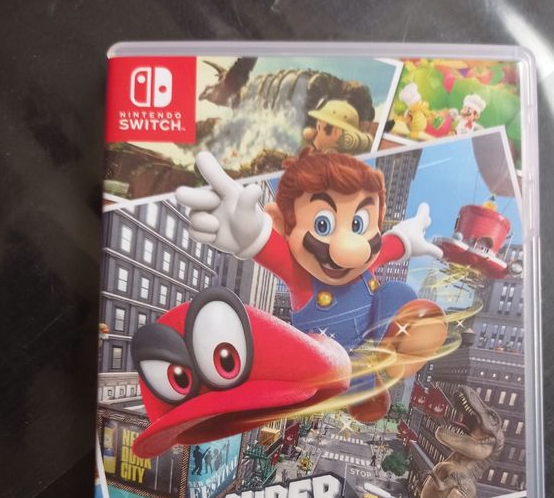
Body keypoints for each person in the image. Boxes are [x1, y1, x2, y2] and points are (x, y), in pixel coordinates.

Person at [177, 150, 446, 422]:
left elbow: (390, 245)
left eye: (358, 224)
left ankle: (405, 350)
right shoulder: (303, 279)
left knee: (397, 293)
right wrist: (248, 232)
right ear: (282, 225)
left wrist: (407, 236)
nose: (348, 249)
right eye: (323, 224)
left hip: (376, 338)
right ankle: (367, 392)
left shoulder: (366, 265)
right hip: (334, 357)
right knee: (355, 377)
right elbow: (269, 247)